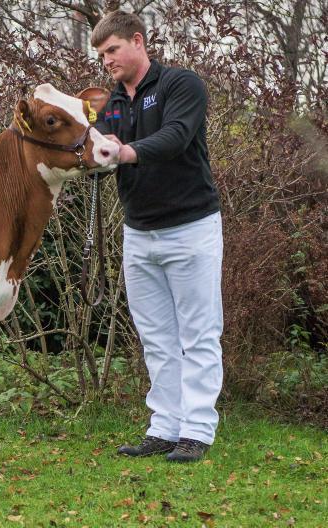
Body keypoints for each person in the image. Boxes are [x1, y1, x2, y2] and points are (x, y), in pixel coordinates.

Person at [90, 10, 223, 462]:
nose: (107, 60)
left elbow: (176, 137)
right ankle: (165, 428)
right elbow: (99, 148)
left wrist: (124, 151)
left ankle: (197, 431)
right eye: (101, 55)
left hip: (191, 227)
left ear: (138, 41)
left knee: (199, 334)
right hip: (139, 232)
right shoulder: (111, 104)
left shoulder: (180, 84)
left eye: (112, 50)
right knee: (156, 337)